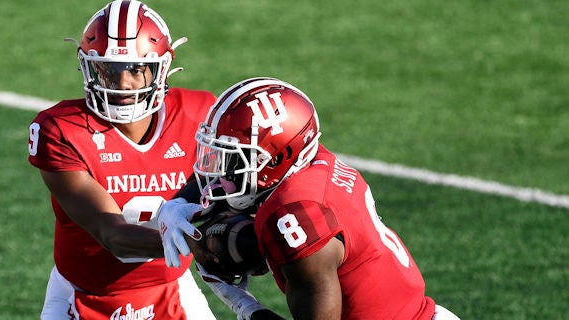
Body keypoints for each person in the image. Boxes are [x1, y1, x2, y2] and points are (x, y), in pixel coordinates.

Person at [185, 77, 461, 319]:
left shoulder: (293, 213)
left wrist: (244, 306)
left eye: (234, 160)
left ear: (276, 158)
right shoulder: (314, 160)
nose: (222, 174)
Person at [27, 1, 217, 319]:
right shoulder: (61, 128)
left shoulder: (199, 115)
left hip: (173, 288)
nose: (124, 83)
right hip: (83, 296)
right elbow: (112, 235)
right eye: (109, 70)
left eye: (135, 69)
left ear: (162, 66)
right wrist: (208, 247)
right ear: (89, 66)